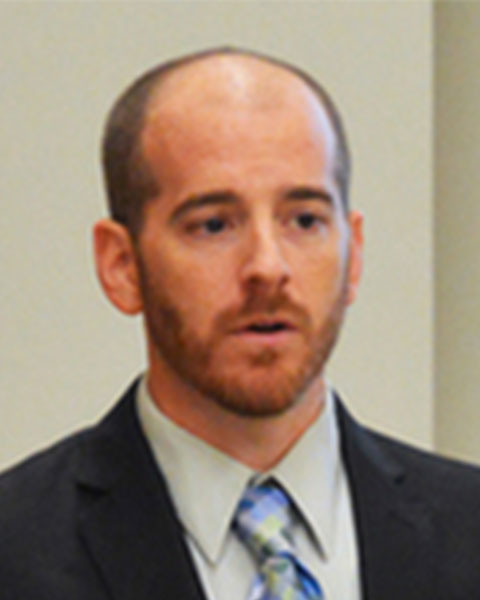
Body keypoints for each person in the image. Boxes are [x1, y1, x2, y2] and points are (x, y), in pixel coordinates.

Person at [1, 47, 480, 600]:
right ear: (122, 265)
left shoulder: (468, 533)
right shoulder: (16, 552)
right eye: (213, 225)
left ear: (355, 253)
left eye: (304, 220)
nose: (268, 268)